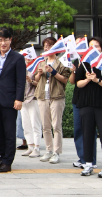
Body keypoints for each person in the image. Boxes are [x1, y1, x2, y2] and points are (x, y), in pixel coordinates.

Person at [0, 27, 26, 174]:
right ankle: (1, 157)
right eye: (0, 40)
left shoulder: (18, 58)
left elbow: (21, 81)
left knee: (9, 132)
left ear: (10, 40)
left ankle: (8, 161)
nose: (3, 43)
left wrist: (18, 99)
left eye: (6, 40)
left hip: (10, 100)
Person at [76, 35, 102, 178]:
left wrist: (96, 80)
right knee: (87, 134)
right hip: (86, 104)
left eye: (97, 46)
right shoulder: (84, 63)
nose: (94, 48)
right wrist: (87, 79)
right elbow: (78, 84)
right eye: (91, 46)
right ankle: (88, 164)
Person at [33, 37, 71, 165]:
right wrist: (39, 73)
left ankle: (56, 152)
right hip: (43, 95)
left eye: (49, 45)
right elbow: (37, 80)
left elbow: (65, 80)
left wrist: (53, 71)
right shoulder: (42, 62)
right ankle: (48, 150)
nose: (46, 48)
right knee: (46, 125)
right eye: (45, 45)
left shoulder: (61, 63)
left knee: (56, 125)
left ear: (56, 48)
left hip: (57, 95)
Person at [69, 40, 97, 169]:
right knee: (79, 130)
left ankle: (91, 159)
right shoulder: (77, 60)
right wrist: (72, 71)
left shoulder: (94, 61)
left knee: (90, 130)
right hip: (78, 100)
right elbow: (72, 82)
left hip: (90, 100)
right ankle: (82, 158)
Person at [21, 54, 42, 158]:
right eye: (25, 56)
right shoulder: (21, 67)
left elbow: (39, 83)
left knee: (35, 124)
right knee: (26, 125)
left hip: (33, 98)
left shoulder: (37, 66)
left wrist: (31, 81)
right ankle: (30, 146)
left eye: (29, 56)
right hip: (23, 99)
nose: (27, 58)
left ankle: (37, 147)